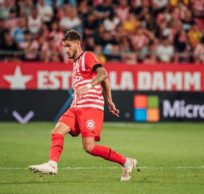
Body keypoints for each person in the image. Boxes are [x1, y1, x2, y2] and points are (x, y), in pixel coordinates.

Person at [29, 30, 139, 181]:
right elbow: (105, 80)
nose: (66, 50)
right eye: (64, 47)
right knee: (56, 132)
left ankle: (127, 162)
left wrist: (89, 86)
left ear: (77, 44)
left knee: (90, 147)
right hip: (76, 107)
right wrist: (109, 101)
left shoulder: (87, 56)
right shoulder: (75, 63)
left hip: (91, 107)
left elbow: (103, 74)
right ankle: (52, 164)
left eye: (68, 46)